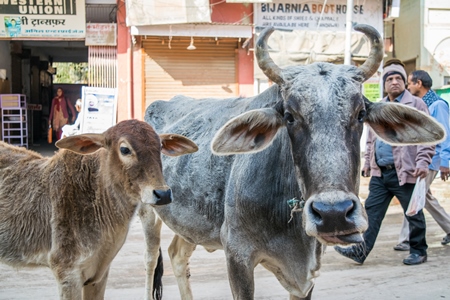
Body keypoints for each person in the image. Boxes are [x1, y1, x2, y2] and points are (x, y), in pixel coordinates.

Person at [334, 63, 436, 265]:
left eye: (398, 78)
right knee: (371, 212)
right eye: (389, 79)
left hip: (407, 171)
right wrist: (368, 163)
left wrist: (423, 162)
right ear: (384, 84)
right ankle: (360, 251)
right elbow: (372, 138)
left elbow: (427, 137)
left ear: (405, 82)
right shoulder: (378, 106)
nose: (394, 82)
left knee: (413, 212)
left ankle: (419, 250)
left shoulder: (415, 105)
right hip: (381, 173)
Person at [393, 70, 450, 251]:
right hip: (422, 159)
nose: (408, 87)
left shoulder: (437, 105)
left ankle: (406, 239)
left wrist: (445, 162)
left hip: (431, 159)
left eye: (409, 83)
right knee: (424, 197)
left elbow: (444, 135)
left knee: (412, 198)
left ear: (418, 83)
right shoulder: (422, 104)